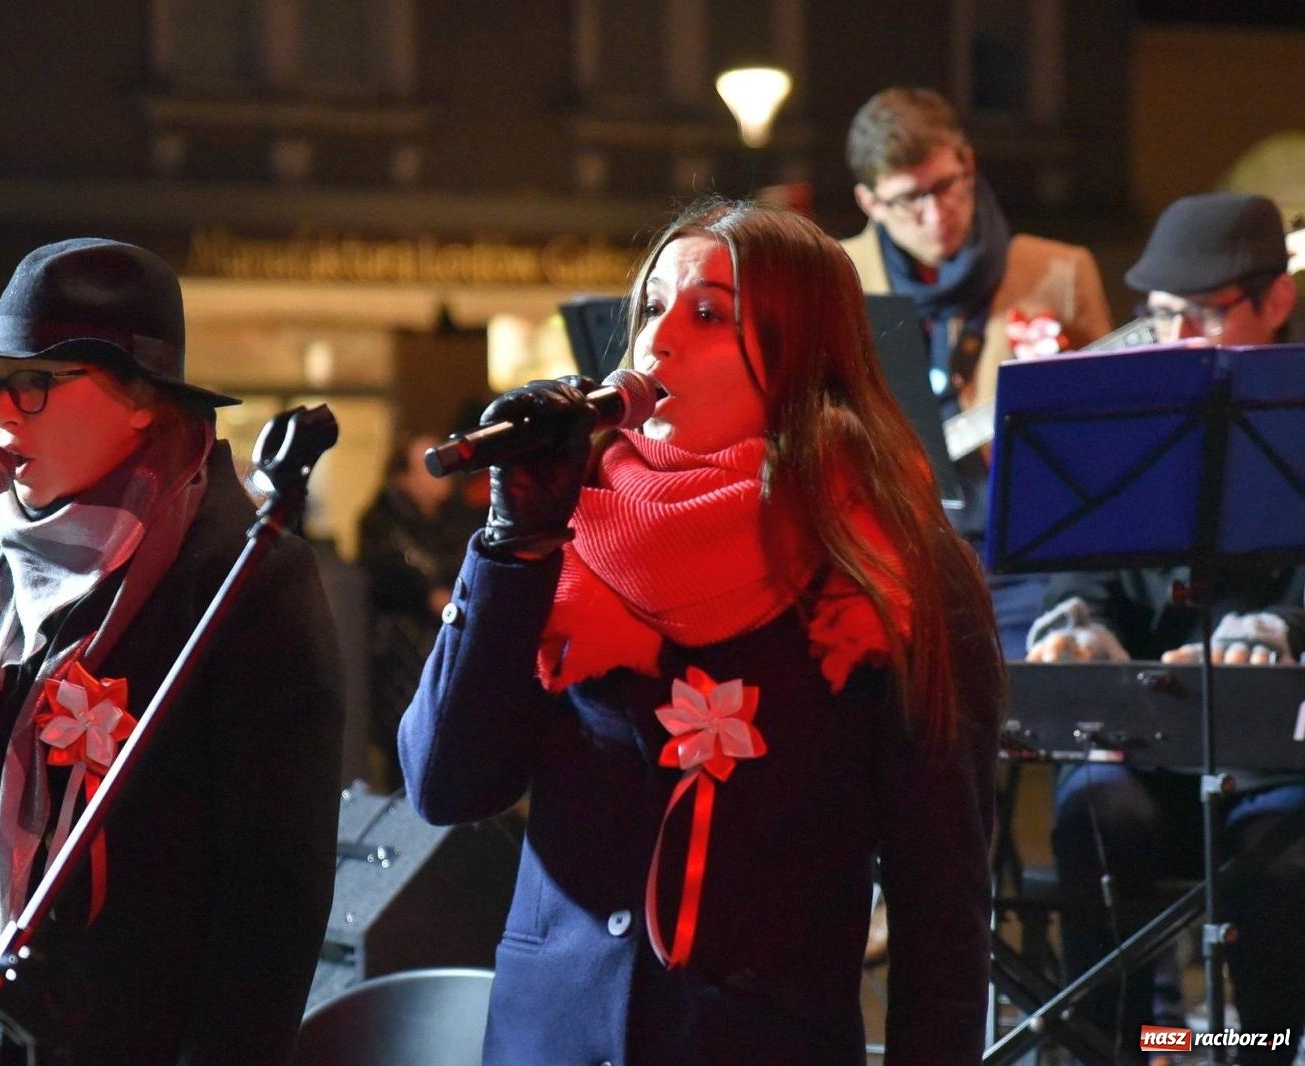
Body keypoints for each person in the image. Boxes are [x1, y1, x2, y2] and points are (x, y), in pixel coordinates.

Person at [399, 199, 1003, 1064]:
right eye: (651, 307)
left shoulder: (891, 564)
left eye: (710, 313)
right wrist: (510, 545)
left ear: (802, 353)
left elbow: (940, 905)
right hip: (554, 1038)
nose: (659, 338)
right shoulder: (567, 530)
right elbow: (445, 785)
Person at [0, 239, 344, 1065]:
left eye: (34, 384)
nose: (0, 413)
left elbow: (275, 889)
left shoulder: (243, 570)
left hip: (140, 1028)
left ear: (143, 400)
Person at [1028, 192, 1305, 1063]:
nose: (1174, 338)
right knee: (1095, 815)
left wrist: (1283, 624)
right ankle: (1131, 1048)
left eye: (1200, 314)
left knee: (1283, 853)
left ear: (1277, 301)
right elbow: (1084, 563)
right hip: (1152, 747)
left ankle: (1265, 1049)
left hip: (1277, 759)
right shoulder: (1134, 417)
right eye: (1158, 317)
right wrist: (1073, 619)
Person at [841, 87, 1112, 655]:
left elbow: (1102, 444)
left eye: (946, 186)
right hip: (890, 561)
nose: (937, 216)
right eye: (910, 199)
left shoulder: (1061, 271)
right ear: (869, 203)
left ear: (968, 162)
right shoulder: (837, 276)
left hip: (1022, 566)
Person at [356, 430, 473, 791]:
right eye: (428, 465)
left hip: (450, 645)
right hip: (401, 651)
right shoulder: (383, 521)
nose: (441, 474)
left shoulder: (459, 519)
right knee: (407, 755)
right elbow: (384, 576)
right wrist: (429, 597)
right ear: (404, 474)